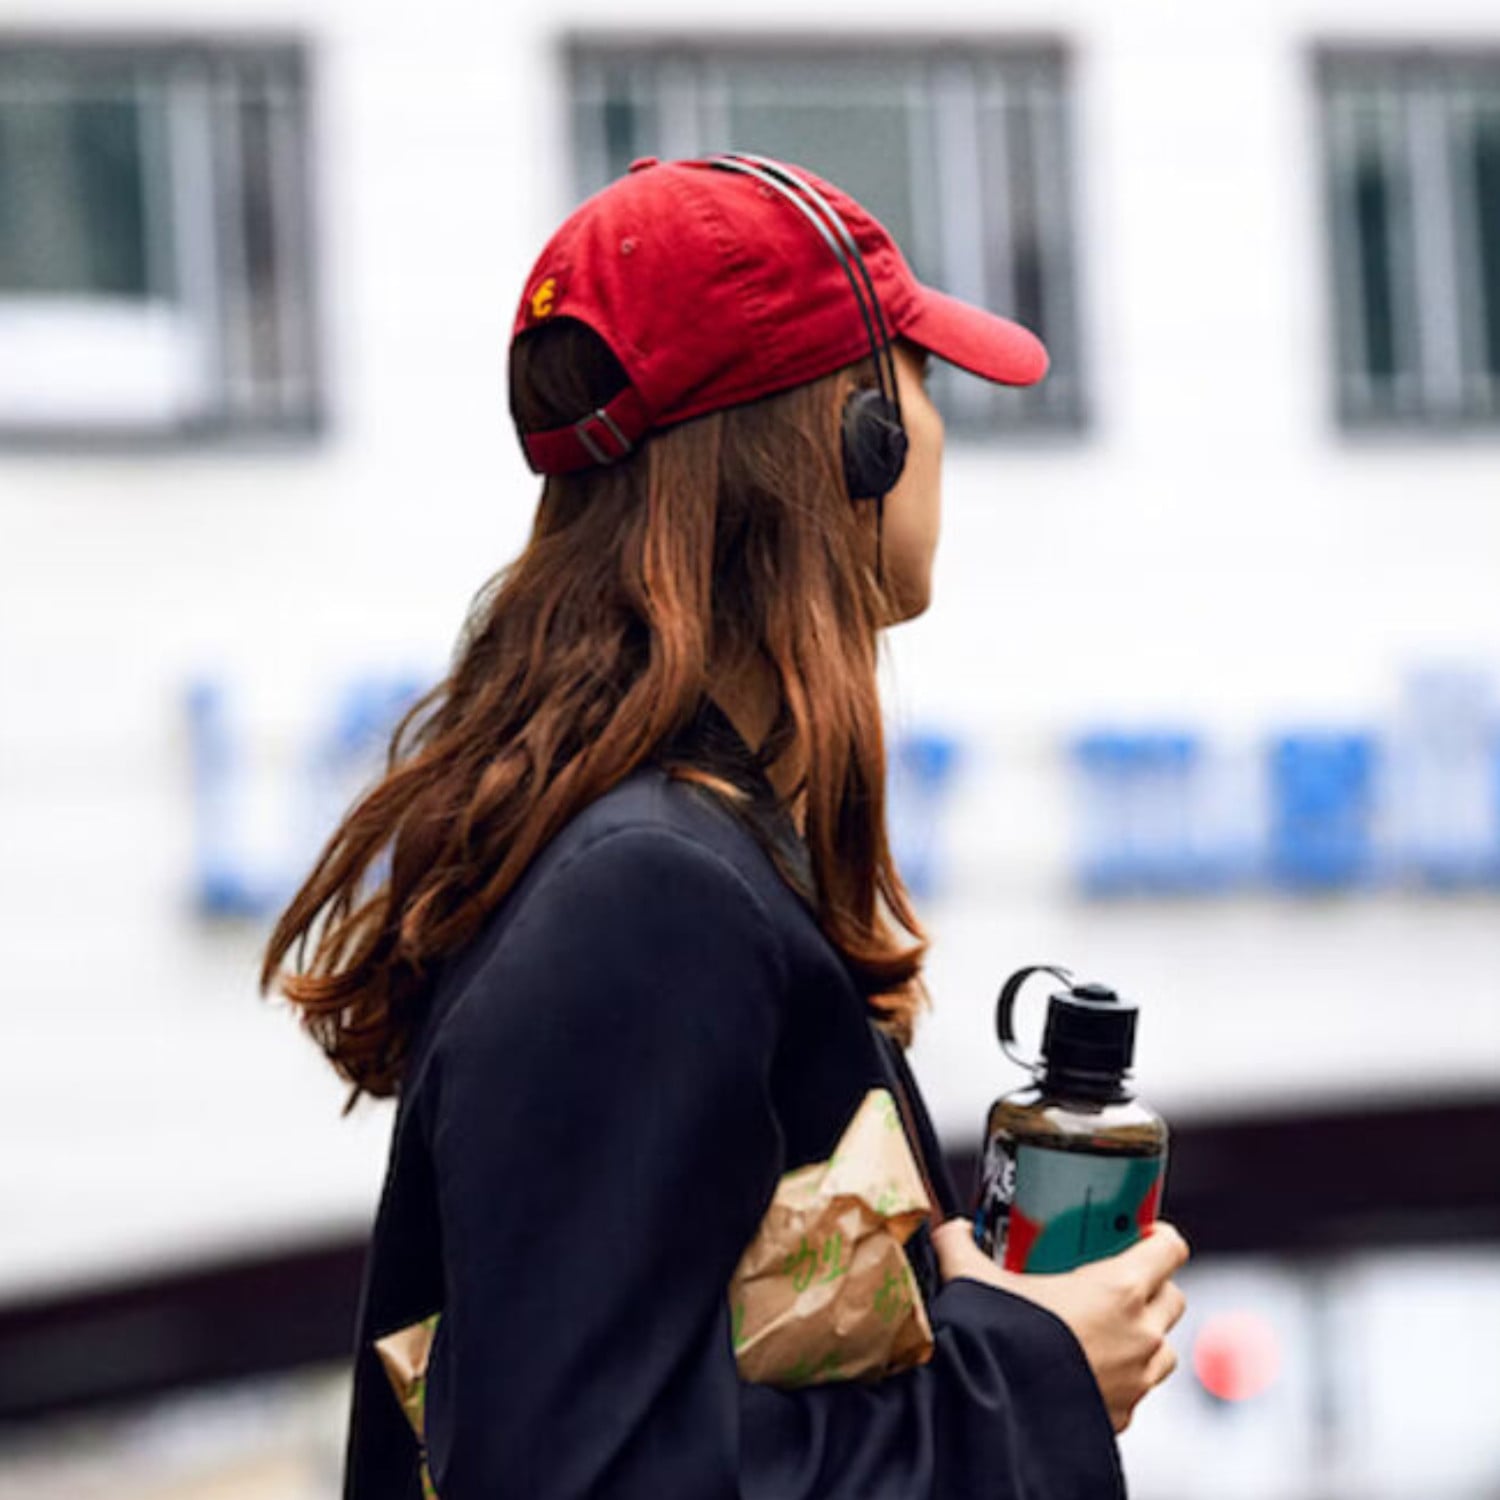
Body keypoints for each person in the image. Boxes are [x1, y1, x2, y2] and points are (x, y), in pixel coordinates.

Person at [262, 151, 1190, 1499]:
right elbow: (589, 1475)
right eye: (921, 380)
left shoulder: (647, 857)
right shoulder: (648, 894)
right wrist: (1027, 1379)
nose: (941, 430)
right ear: (857, 439)